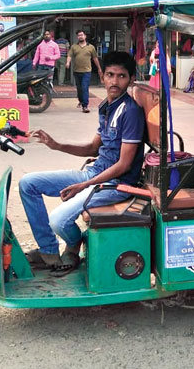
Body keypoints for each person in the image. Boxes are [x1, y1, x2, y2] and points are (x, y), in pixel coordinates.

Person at [19, 51, 145, 275]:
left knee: (58, 220)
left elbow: (124, 165)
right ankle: (48, 251)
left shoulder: (131, 112)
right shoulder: (107, 105)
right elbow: (93, 148)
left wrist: (84, 186)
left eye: (122, 76)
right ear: (102, 75)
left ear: (131, 79)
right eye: (110, 75)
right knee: (28, 184)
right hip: (95, 173)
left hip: (115, 184)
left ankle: (74, 244)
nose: (114, 81)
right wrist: (57, 145)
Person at [67, 30, 102, 113]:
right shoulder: (74, 47)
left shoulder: (91, 47)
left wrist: (99, 68)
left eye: (81, 35)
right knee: (79, 89)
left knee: (84, 87)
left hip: (87, 71)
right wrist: (68, 62)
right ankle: (81, 100)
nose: (80, 37)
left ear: (85, 36)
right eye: (78, 35)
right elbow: (69, 55)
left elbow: (95, 58)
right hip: (77, 71)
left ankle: (85, 106)